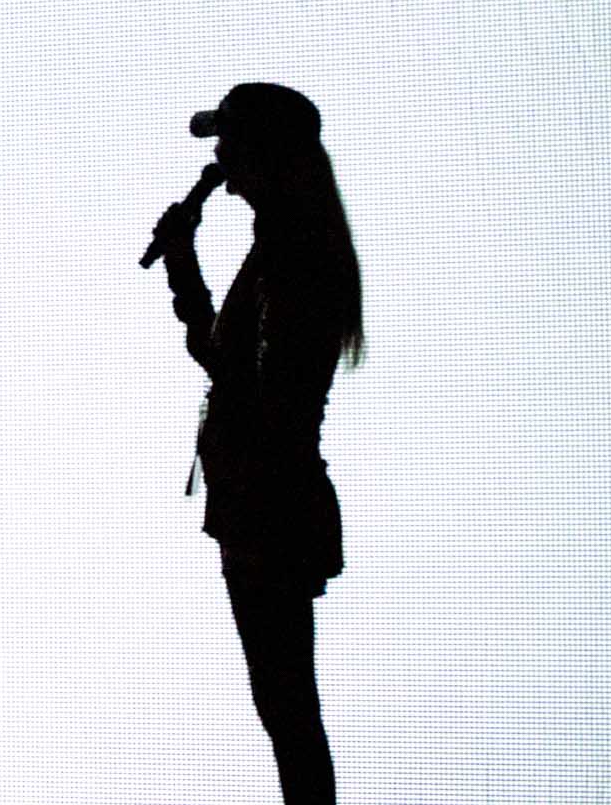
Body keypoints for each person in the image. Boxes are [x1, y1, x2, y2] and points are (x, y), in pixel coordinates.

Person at [152, 83, 362, 805]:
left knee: (288, 711)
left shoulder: (294, 257)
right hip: (261, 509)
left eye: (230, 141)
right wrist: (183, 263)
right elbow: (232, 364)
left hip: (269, 512)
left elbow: (252, 383)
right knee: (284, 709)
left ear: (262, 152)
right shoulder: (282, 247)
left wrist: (182, 265)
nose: (218, 157)